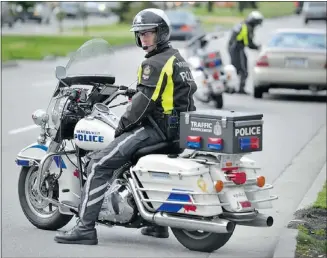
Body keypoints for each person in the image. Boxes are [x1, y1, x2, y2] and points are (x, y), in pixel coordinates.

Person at [54, 8, 197, 245]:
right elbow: (170, 94)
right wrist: (136, 91)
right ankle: (156, 225)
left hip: (158, 129)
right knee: (135, 165)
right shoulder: (176, 59)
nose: (144, 38)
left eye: (149, 33)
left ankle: (85, 228)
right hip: (179, 130)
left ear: (161, 33)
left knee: (99, 163)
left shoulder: (154, 63)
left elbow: (140, 107)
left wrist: (121, 127)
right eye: (140, 34)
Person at [228, 11, 264, 94]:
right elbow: (248, 43)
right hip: (237, 48)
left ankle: (230, 87)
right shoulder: (247, 28)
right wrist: (257, 47)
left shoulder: (243, 24)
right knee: (242, 70)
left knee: (234, 68)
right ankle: (239, 88)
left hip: (233, 47)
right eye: (257, 23)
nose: (257, 25)